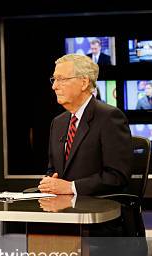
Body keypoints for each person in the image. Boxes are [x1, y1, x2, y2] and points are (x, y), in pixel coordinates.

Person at [39, 53, 132, 196]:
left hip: (97, 209)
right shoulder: (58, 123)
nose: (54, 86)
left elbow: (117, 176)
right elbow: (53, 170)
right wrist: (50, 182)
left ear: (84, 83)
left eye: (61, 79)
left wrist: (72, 187)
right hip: (62, 208)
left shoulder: (109, 117)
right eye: (54, 79)